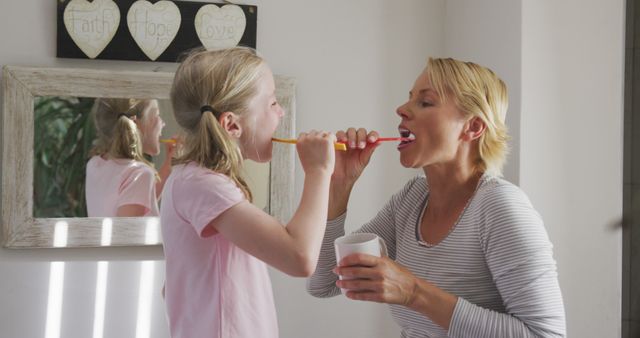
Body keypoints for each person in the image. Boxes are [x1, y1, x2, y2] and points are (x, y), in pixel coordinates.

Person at [307, 57, 566, 337]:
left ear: (473, 127)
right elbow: (323, 283)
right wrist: (340, 185)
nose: (401, 110)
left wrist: (413, 292)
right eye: (409, 99)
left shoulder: (500, 207)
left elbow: (546, 334)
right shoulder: (411, 199)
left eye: (425, 102)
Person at [161, 47, 335, 338]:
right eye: (272, 103)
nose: (281, 112)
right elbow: (300, 257)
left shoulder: (194, 182)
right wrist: (318, 172)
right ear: (232, 124)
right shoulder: (202, 185)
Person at [85, 98, 175, 217]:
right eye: (157, 115)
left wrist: (170, 163)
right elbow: (125, 234)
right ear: (136, 125)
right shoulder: (139, 174)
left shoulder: (95, 163)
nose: (163, 123)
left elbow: (140, 197)